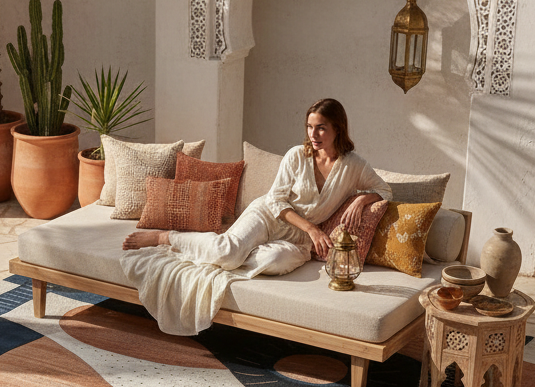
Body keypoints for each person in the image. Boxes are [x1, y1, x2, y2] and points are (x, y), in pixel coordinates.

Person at [119, 98, 391, 336]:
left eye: (321, 127)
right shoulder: (297, 156)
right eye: (309, 127)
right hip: (269, 215)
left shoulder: (353, 165)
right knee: (227, 253)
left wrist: (362, 199)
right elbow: (276, 200)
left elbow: (385, 190)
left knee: (275, 260)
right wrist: (312, 229)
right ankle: (167, 237)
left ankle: (235, 251)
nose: (313, 134)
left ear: (337, 129)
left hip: (297, 239)